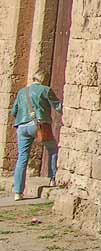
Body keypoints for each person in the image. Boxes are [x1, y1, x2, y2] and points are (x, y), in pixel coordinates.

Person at [9, 71, 62, 200]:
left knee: (22, 157)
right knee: (52, 149)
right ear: (44, 80)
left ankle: (18, 192)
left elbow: (14, 111)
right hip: (39, 125)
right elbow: (58, 107)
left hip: (22, 127)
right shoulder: (45, 90)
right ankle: (52, 178)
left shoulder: (22, 92)